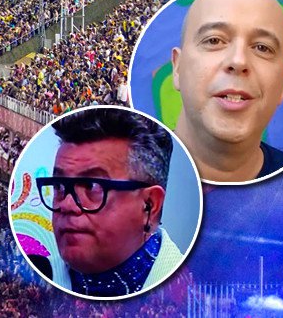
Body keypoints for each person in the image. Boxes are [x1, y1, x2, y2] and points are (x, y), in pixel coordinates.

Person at [35, 108, 183, 297]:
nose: (67, 205)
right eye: (59, 186)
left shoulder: (196, 296)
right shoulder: (33, 282)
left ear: (149, 205)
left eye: (92, 186)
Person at [170, 0, 283, 182]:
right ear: (177, 67)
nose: (238, 61)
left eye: (262, 48)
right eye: (214, 41)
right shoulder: (126, 173)